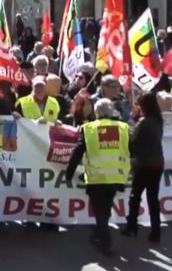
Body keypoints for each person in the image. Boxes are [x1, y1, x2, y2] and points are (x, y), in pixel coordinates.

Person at [65, 99, 131, 255]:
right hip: (116, 176)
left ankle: (105, 242)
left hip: (96, 178)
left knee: (100, 210)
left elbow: (77, 152)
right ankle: (98, 234)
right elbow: (133, 149)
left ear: (96, 112)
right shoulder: (124, 128)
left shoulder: (88, 129)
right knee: (105, 208)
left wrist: (69, 172)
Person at [122, 92, 165, 243]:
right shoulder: (159, 121)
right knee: (153, 198)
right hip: (157, 162)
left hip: (144, 163)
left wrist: (132, 122)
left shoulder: (144, 122)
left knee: (135, 196)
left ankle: (131, 226)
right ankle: (156, 231)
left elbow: (133, 138)